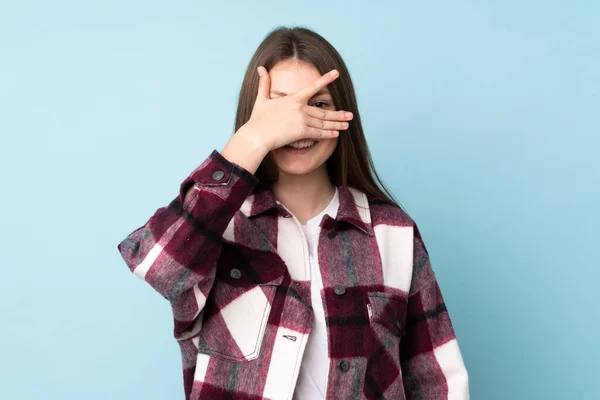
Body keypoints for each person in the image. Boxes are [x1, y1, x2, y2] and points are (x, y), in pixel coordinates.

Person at [117, 26, 469, 400]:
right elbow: (157, 267)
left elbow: (437, 382)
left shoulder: (393, 232)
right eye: (280, 108)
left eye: (318, 105)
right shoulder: (217, 227)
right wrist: (252, 140)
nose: (298, 124)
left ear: (343, 114)